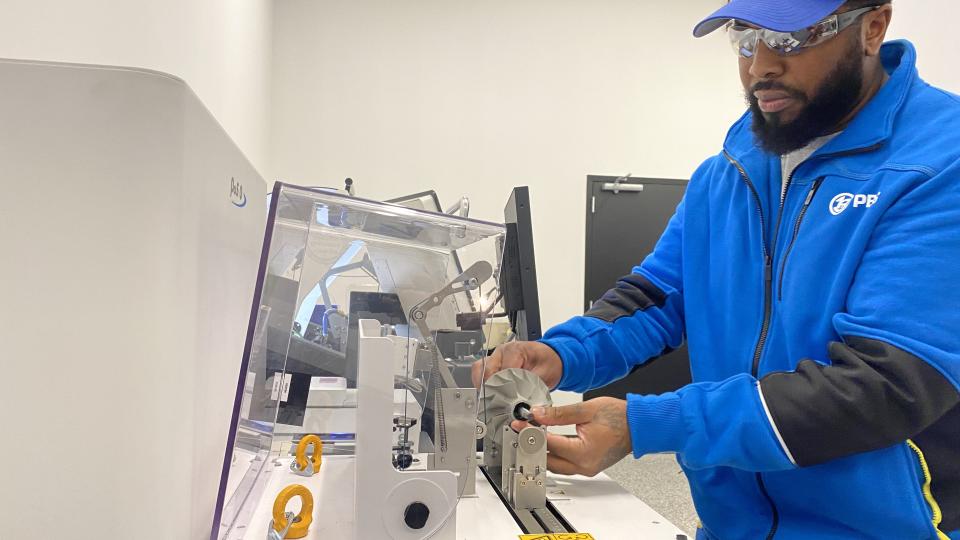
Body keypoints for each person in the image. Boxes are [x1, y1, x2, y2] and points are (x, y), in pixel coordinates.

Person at [473, 1, 960, 538]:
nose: (760, 67)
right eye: (745, 38)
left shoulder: (940, 161)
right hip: (731, 527)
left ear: (872, 28)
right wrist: (562, 354)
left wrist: (647, 423)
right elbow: (659, 297)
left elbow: (886, 383)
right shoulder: (728, 170)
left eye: (791, 38)